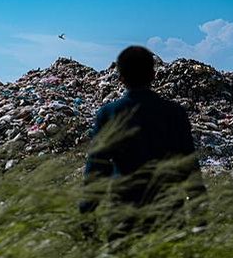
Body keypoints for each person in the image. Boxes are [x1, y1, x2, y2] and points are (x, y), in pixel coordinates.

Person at [79, 46, 206, 234]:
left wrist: (87, 212)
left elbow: (97, 168)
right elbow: (188, 164)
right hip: (168, 212)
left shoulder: (109, 114)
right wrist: (199, 211)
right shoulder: (174, 112)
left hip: (124, 213)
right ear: (153, 75)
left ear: (121, 77)